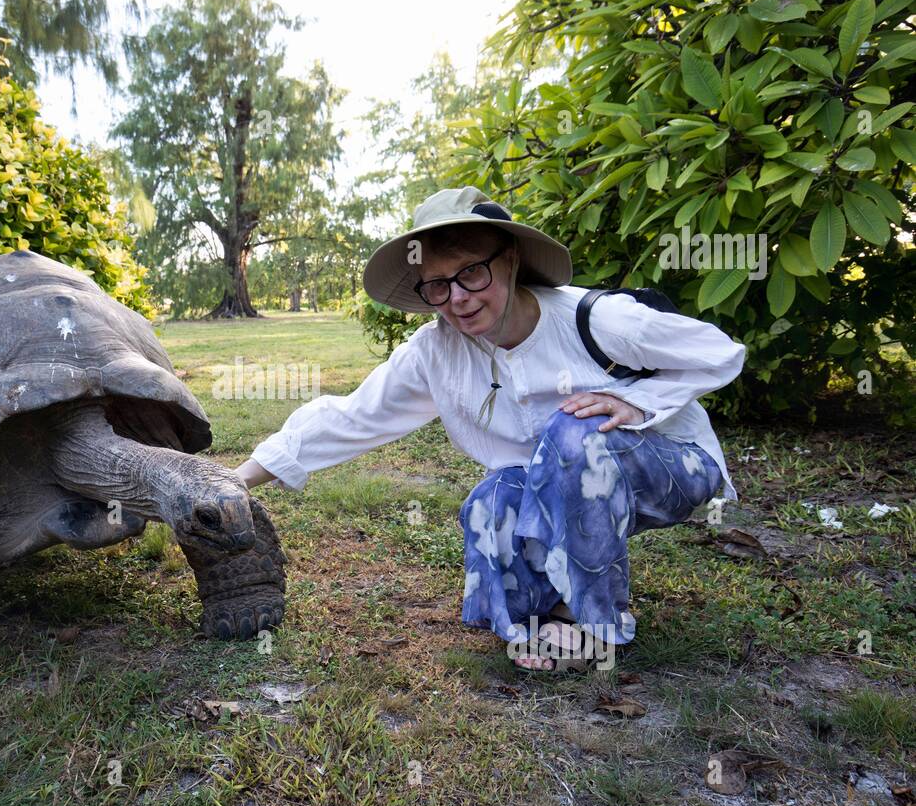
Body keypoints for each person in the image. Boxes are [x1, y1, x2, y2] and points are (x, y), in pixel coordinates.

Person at [235, 187, 746, 670]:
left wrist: (635, 402)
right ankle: (536, 609)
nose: (457, 298)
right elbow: (351, 415)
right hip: (562, 480)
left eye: (472, 273)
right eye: (438, 284)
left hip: (672, 464)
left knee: (572, 432)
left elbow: (718, 353)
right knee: (493, 495)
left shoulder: (598, 319)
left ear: (511, 261)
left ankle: (591, 624)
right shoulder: (437, 351)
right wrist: (234, 482)